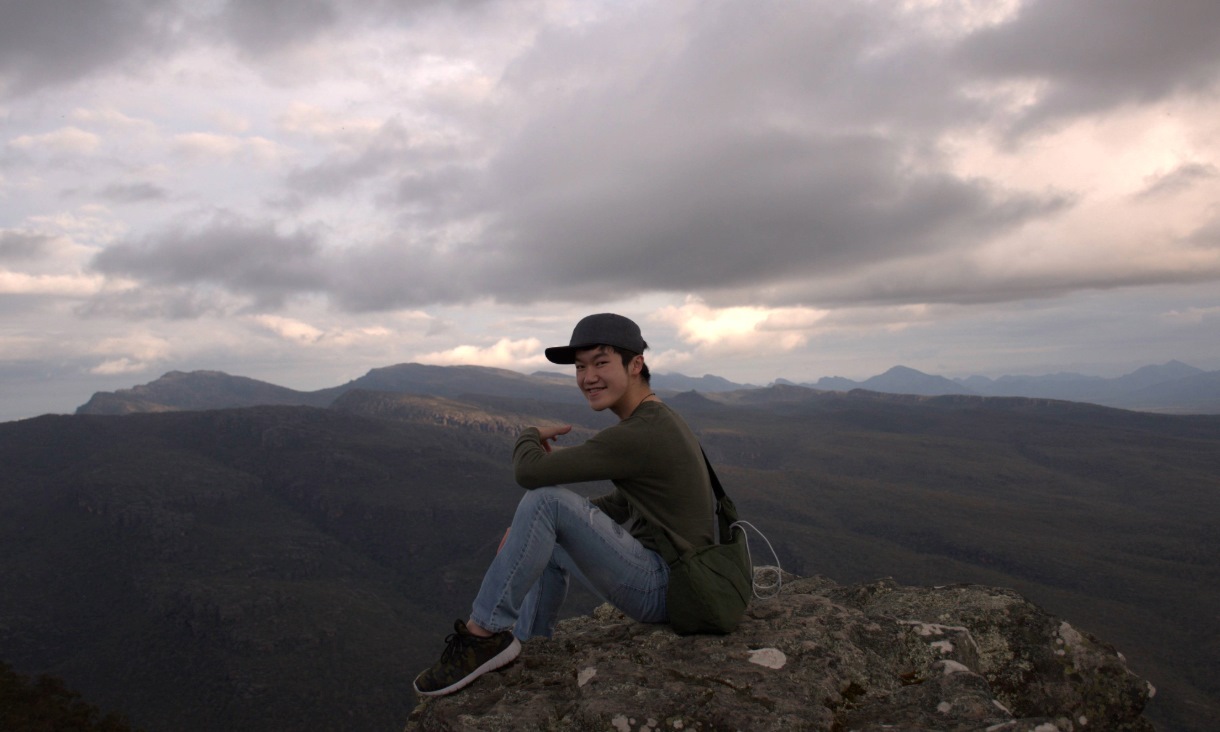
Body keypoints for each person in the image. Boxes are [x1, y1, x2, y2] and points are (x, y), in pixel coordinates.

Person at [413, 313, 715, 697]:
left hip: (666, 589)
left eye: (601, 363)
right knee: (546, 530)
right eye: (580, 367)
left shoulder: (641, 433)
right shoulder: (659, 421)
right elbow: (622, 504)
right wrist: (536, 530)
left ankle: (482, 635)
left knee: (544, 501)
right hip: (677, 582)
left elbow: (530, 473)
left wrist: (527, 435)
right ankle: (526, 643)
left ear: (636, 364)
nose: (588, 377)